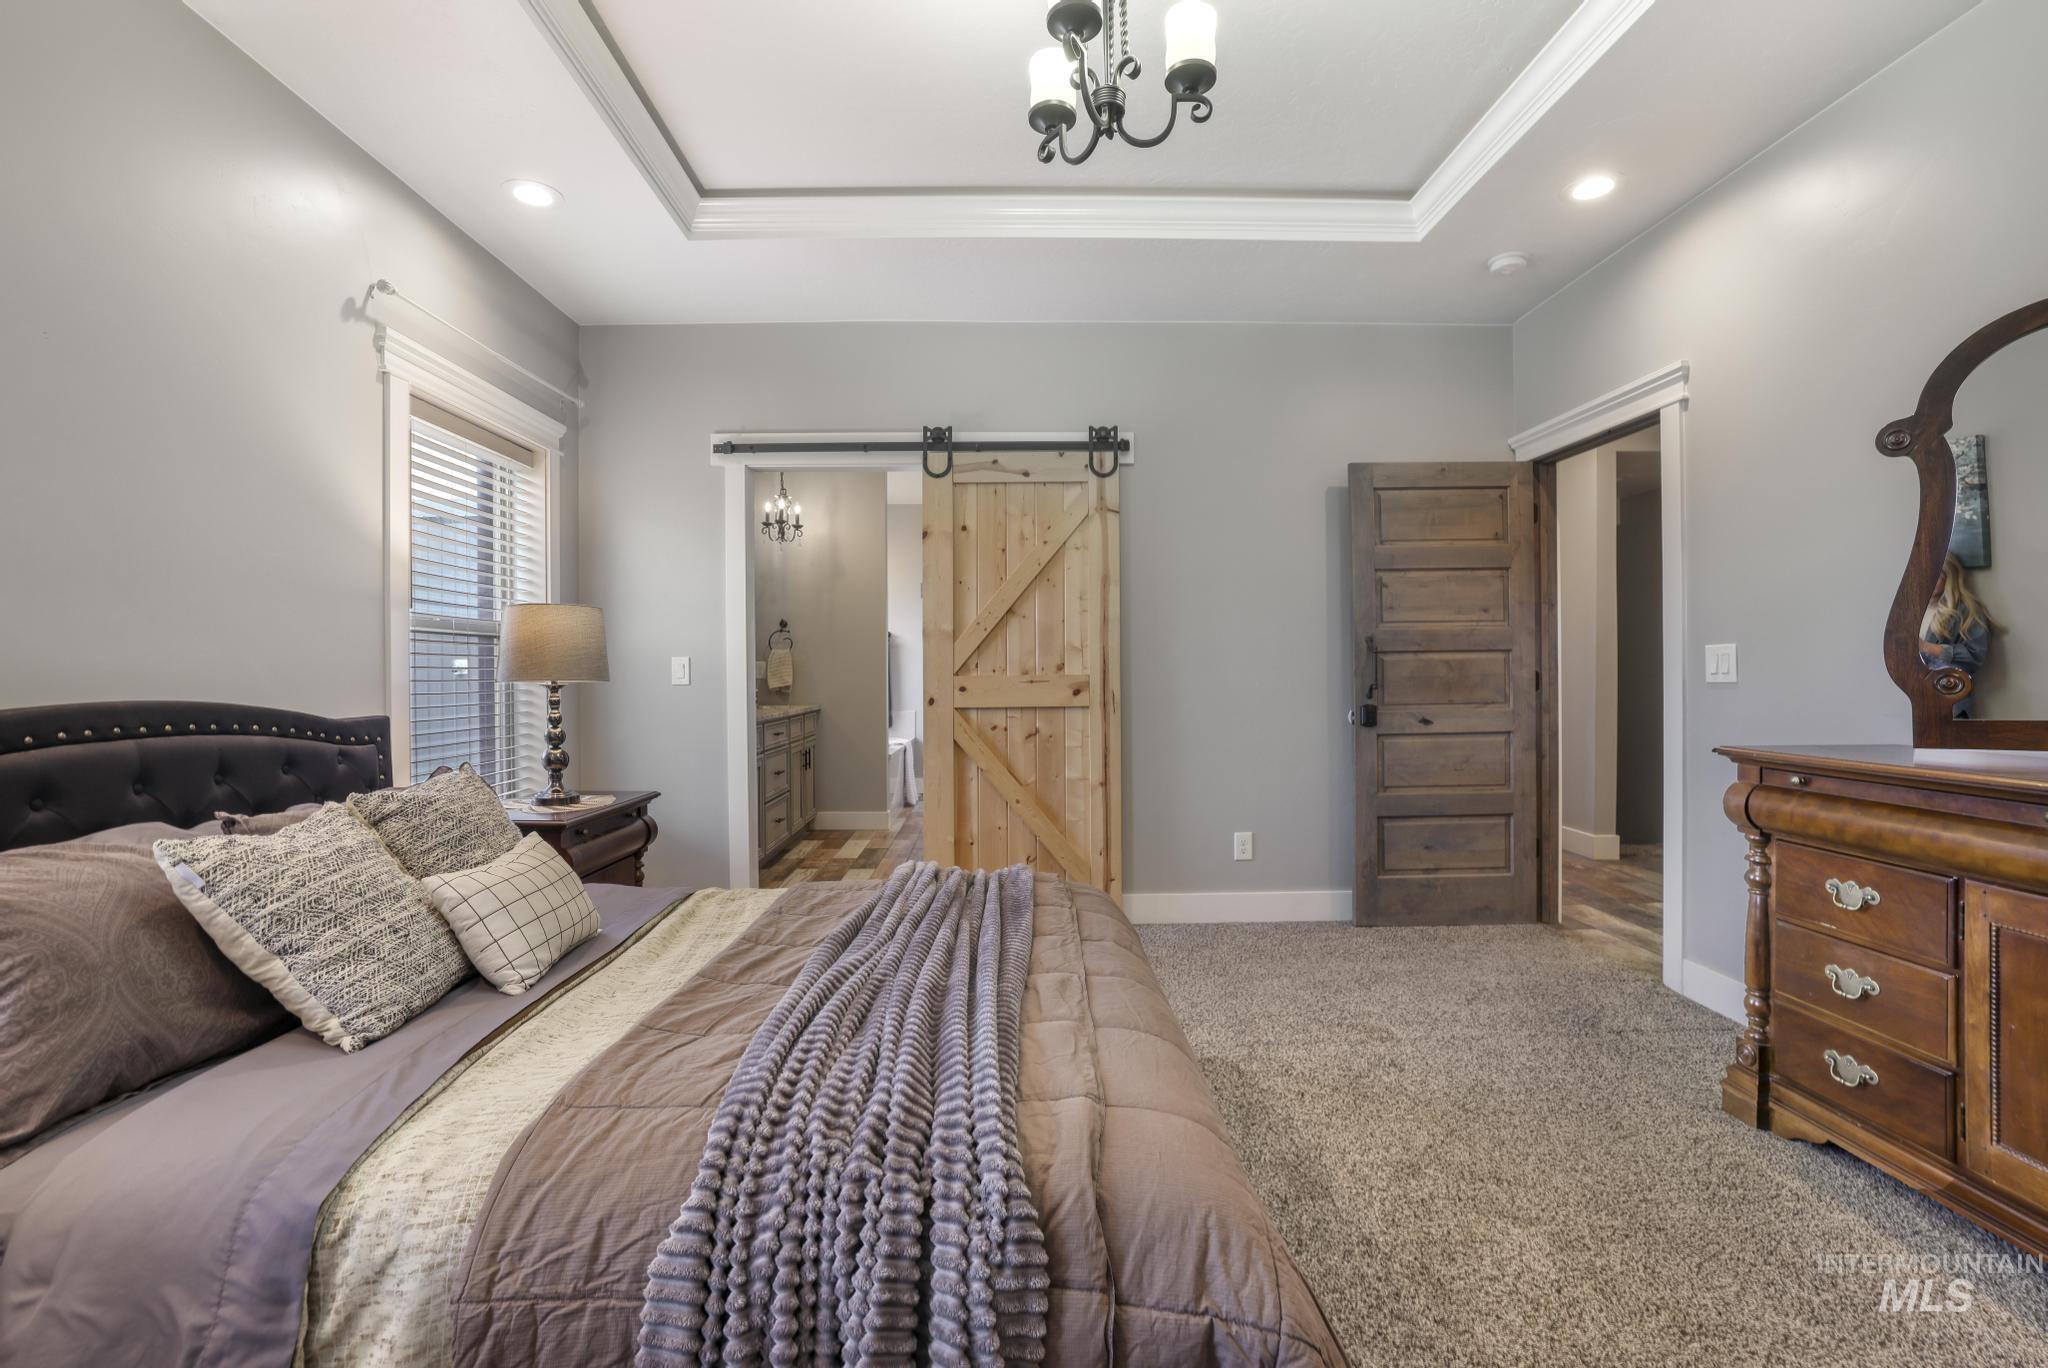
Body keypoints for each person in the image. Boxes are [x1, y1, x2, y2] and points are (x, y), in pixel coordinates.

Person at [1919, 552, 1993, 717]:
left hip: (1951, 702)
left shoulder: (1966, 610)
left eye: (1937, 576)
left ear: (1949, 578)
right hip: (1918, 701)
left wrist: (1927, 647)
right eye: (1925, 573)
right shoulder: (1912, 609)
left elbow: (1975, 655)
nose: (1929, 580)